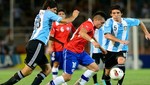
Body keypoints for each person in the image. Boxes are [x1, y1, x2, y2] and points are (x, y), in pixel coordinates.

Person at [0, 0, 79, 85]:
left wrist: (59, 41)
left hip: (36, 44)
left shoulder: (40, 15)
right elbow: (65, 21)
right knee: (27, 70)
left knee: (47, 69)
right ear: (48, 8)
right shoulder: (48, 13)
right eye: (55, 10)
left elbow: (46, 35)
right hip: (37, 44)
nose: (55, 12)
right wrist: (74, 16)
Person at [49, 11, 107, 85]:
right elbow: (82, 33)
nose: (102, 25)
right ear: (96, 20)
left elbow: (91, 36)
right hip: (71, 51)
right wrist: (93, 42)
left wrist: (101, 48)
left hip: (80, 52)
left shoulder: (93, 27)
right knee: (67, 77)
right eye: (102, 23)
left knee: (95, 68)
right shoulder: (88, 24)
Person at [102, 5, 150, 85]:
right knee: (107, 73)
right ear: (111, 14)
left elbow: (139, 22)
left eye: (118, 13)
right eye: (114, 13)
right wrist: (120, 41)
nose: (116, 15)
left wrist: (146, 32)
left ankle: (119, 84)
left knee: (121, 61)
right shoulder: (109, 22)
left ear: (121, 14)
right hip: (110, 49)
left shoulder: (127, 21)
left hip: (122, 48)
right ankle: (107, 82)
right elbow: (107, 35)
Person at [47, 8, 76, 85]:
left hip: (66, 48)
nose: (61, 15)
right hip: (56, 48)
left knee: (65, 64)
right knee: (56, 64)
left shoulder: (70, 24)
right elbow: (51, 36)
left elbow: (75, 33)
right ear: (57, 16)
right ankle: (54, 79)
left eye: (62, 14)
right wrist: (50, 46)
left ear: (65, 15)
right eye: (59, 14)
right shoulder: (54, 24)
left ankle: (63, 81)